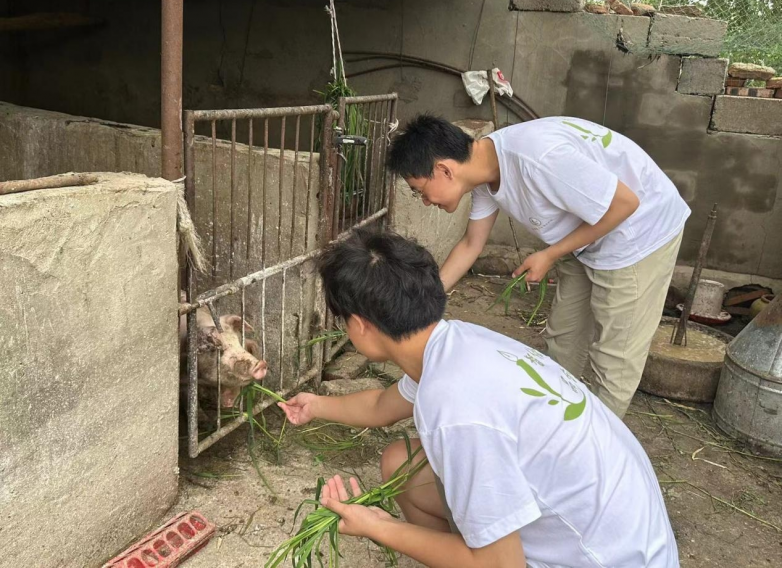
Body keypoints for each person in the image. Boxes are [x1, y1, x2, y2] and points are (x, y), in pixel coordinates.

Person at [278, 229, 679, 568]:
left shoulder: (455, 406)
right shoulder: (455, 344)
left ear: (361, 326)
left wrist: (377, 525)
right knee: (400, 462)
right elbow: (382, 407)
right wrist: (315, 405)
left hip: (603, 558)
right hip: (616, 533)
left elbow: (498, 565)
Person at [384, 114, 690, 419]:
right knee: (564, 338)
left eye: (419, 190)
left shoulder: (538, 159)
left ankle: (594, 447)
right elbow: (470, 245)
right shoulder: (484, 172)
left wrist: (551, 253)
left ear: (444, 170)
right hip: (584, 233)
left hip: (637, 235)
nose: (423, 200)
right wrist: (422, 305)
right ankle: (555, 423)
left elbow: (625, 203)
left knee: (614, 357)